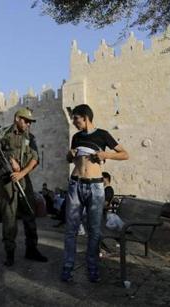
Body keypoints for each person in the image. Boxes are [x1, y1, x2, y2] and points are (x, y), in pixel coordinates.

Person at [61, 104, 129, 283]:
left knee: (94, 230)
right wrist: (70, 154)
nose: (74, 122)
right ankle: (67, 268)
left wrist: (106, 155)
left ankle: (92, 268)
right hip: (75, 184)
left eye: (75, 118)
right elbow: (71, 160)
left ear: (85, 117)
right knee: (71, 229)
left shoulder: (103, 134)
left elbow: (124, 154)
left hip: (96, 186)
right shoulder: (76, 137)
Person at [0, 107, 47, 266]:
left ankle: (32, 249)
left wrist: (22, 173)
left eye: (30, 122)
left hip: (23, 180)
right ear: (17, 119)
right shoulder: (2, 134)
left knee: (29, 212)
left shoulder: (30, 137)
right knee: (9, 216)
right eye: (26, 121)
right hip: (7, 181)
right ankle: (10, 253)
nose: (28, 124)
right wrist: (8, 159)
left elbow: (35, 159)